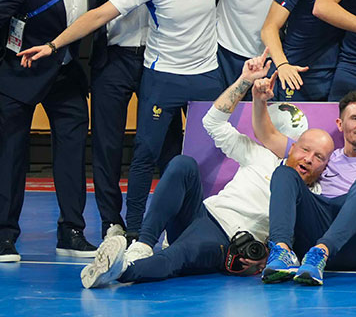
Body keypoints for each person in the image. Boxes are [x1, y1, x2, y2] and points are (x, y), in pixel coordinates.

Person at [17, 0, 225, 237]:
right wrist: (53, 45)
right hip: (163, 78)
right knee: (144, 156)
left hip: (207, 77)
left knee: (214, 153)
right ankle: (138, 233)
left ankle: (202, 229)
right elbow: (98, 15)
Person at [79, 59, 335, 289]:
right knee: (183, 164)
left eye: (319, 157)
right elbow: (212, 122)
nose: (308, 159)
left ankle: (119, 271)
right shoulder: (262, 155)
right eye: (305, 150)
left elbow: (300, 243)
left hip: (226, 237)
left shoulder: (313, 196)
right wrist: (244, 80)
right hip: (201, 212)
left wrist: (265, 256)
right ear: (292, 146)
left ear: (325, 166)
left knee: (174, 258)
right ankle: (142, 246)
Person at [0, 0, 107, 262]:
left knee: (73, 155)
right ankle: (4, 236)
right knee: (11, 157)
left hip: (67, 77)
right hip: (20, 77)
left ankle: (72, 232)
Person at [88, 0, 177, 237]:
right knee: (107, 144)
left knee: (168, 141)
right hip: (112, 57)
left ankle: (173, 220)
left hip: (160, 57)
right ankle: (112, 223)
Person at [258, 87, 356, 285]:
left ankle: (323, 251)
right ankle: (282, 252)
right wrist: (257, 97)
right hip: (318, 229)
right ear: (340, 124)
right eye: (355, 118)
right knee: (285, 171)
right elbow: (268, 135)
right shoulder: (323, 156)